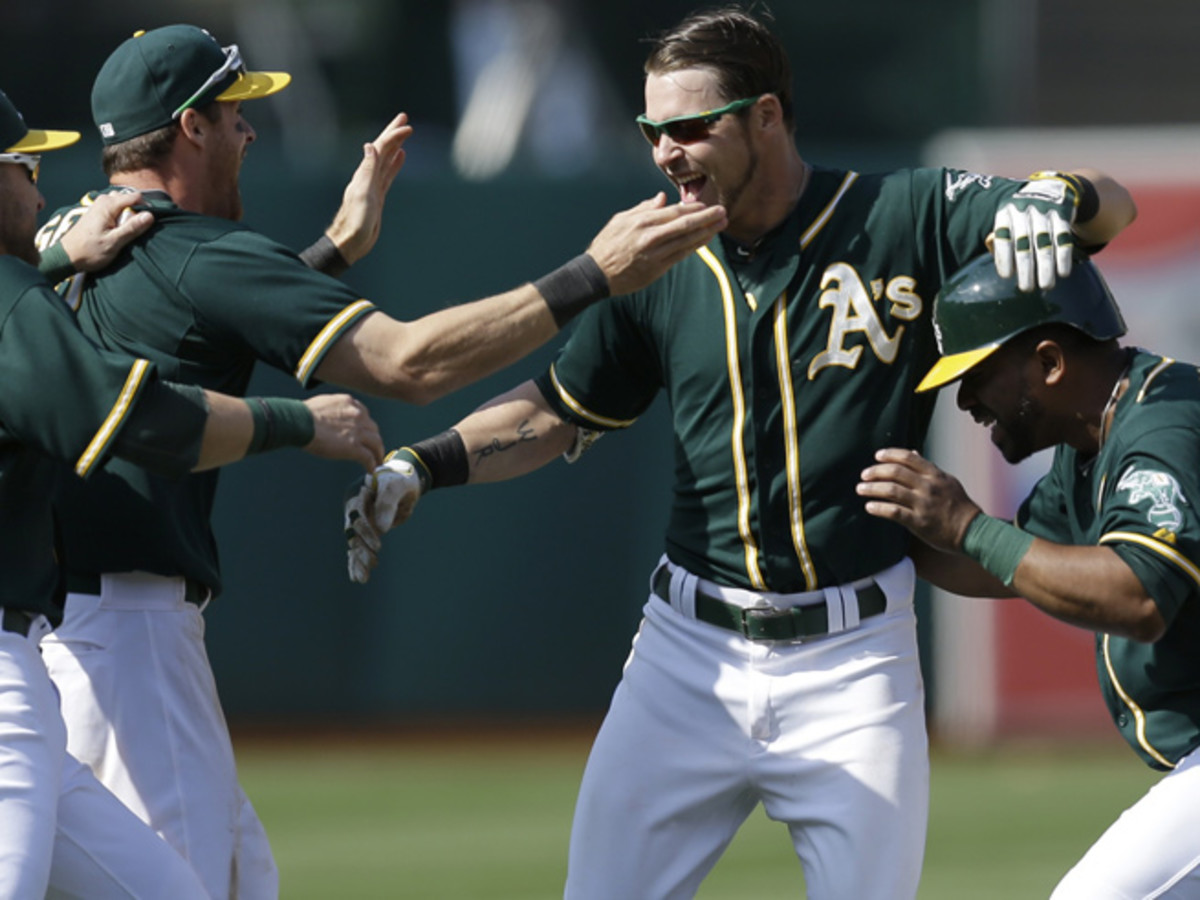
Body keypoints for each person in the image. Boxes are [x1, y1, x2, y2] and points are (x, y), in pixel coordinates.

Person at [344, 7, 1138, 898]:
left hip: (855, 656)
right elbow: (559, 411)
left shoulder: (899, 215)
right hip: (687, 652)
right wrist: (427, 461)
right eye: (653, 131)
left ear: (768, 115)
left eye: (691, 128)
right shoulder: (651, 256)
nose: (666, 153)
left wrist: (1063, 194)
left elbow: (1112, 205)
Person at [35, 22, 727, 900]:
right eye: (235, 112)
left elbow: (179, 320)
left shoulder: (81, 236)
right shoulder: (198, 251)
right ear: (190, 128)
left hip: (63, 630)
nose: (250, 132)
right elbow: (411, 365)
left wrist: (328, 252)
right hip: (125, 638)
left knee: (244, 882)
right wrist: (593, 272)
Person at [0, 88, 381, 899]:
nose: (40, 191)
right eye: (22, 165)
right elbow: (137, 412)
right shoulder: (17, 295)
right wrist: (295, 421)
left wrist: (59, 257)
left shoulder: (46, 278)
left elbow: (188, 330)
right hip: (75, 647)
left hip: (49, 651)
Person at [857, 254, 1200, 899]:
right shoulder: (1095, 442)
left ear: (1049, 362)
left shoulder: (1164, 424)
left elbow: (1137, 596)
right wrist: (868, 537)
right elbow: (1012, 564)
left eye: (979, 373)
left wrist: (966, 526)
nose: (965, 399)